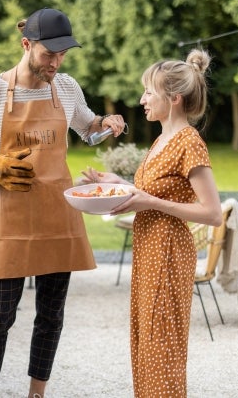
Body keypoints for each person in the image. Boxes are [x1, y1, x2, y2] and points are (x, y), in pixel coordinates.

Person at [0, 7, 126, 398]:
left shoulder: (65, 87)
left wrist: (105, 123)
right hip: (12, 217)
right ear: (26, 44)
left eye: (63, 54)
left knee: (51, 317)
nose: (57, 62)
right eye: (50, 54)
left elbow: (86, 128)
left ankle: (37, 392)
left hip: (57, 215)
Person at [81, 49, 222, 397]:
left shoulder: (190, 142)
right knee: (146, 342)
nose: (142, 99)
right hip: (149, 250)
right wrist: (118, 183)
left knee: (163, 347)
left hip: (169, 251)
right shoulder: (161, 140)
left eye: (149, 92)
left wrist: (148, 200)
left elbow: (212, 213)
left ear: (174, 99)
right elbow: (151, 194)